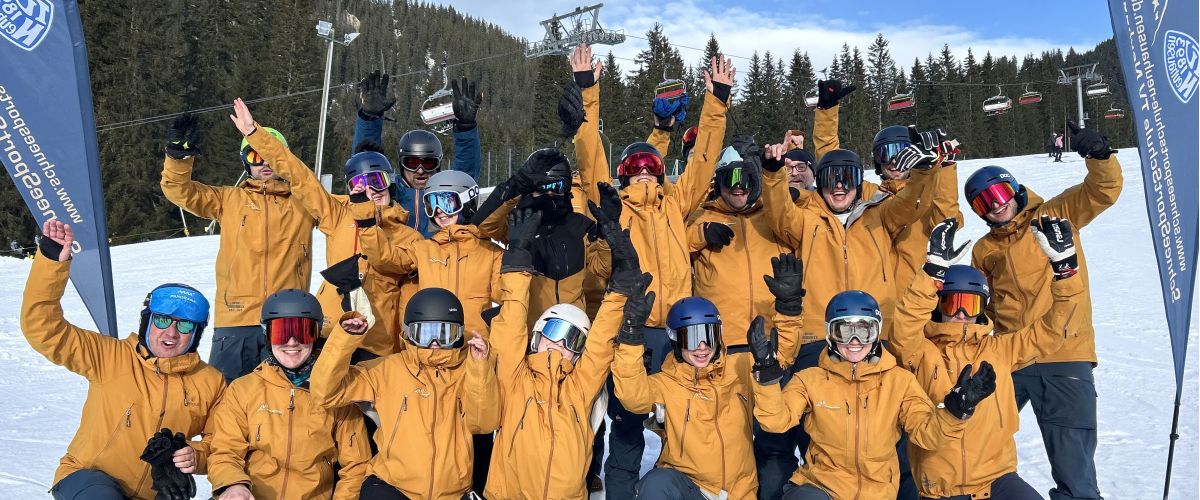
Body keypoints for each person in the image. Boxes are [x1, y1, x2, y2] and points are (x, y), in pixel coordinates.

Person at [571, 42, 732, 497]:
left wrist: (717, 101)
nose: (643, 172)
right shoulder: (615, 207)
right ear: (623, 175)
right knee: (626, 425)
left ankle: (685, 485)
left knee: (687, 420)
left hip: (679, 331)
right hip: (633, 330)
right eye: (634, 166)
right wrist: (588, 93)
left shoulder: (675, 205)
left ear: (662, 173)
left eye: (652, 165)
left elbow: (703, 159)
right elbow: (590, 158)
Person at [967, 121, 1122, 500]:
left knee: (1074, 469)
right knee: (970, 437)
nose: (997, 205)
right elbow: (980, 308)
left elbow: (1102, 191)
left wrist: (1099, 156)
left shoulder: (1054, 214)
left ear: (1015, 189)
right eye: (984, 203)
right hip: (1012, 356)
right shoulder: (984, 250)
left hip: (1064, 354)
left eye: (1000, 193)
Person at [23, 220, 225, 500]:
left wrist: (194, 455)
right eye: (162, 320)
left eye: (185, 325)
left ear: (197, 334)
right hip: (87, 477)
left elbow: (223, 443)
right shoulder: (109, 356)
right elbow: (42, 328)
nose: (171, 333)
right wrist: (50, 261)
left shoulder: (211, 382)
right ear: (147, 322)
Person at [889, 217, 1087, 499]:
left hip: (998, 481)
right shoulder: (920, 352)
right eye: (952, 303)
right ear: (937, 306)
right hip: (943, 488)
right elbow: (903, 327)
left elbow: (1053, 331)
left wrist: (1066, 272)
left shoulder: (999, 350)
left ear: (982, 309)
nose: (961, 314)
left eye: (970, 305)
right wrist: (932, 272)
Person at [750, 289, 997, 500]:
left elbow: (927, 435)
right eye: (844, 331)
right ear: (829, 334)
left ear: (877, 332)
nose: (854, 341)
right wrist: (767, 376)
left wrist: (956, 410)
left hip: (878, 492)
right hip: (823, 488)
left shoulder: (899, 382)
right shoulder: (810, 379)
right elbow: (776, 421)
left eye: (864, 331)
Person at [483, 202, 644, 500]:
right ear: (537, 336)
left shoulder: (580, 388)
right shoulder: (514, 378)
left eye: (574, 340)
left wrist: (622, 286)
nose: (561, 345)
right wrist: (517, 259)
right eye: (556, 332)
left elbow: (601, 344)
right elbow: (511, 324)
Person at [230, 98, 407, 358]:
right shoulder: (337, 214)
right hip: (330, 332)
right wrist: (254, 134)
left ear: (390, 183)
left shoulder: (407, 234)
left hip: (376, 342)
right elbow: (300, 178)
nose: (371, 190)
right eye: (360, 183)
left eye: (378, 181)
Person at [161, 108, 317, 382]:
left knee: (288, 401)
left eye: (271, 155)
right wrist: (178, 158)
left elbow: (343, 214)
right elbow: (179, 190)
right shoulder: (229, 200)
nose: (264, 162)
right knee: (226, 400)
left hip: (287, 320)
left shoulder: (305, 203)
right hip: (235, 322)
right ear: (245, 162)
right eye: (255, 156)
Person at [311, 285, 500, 498]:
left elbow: (484, 423)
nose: (434, 343)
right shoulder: (387, 370)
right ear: (409, 332)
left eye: (445, 334)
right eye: (424, 333)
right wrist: (344, 340)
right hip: (393, 487)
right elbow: (325, 392)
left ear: (459, 334)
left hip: (453, 492)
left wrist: (479, 368)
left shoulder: (468, 370)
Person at [207, 289, 369, 500]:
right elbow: (225, 451)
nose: (292, 342)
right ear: (267, 334)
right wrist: (233, 485)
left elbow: (356, 467)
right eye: (281, 332)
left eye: (302, 331)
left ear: (316, 334)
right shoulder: (243, 390)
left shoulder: (337, 395)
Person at [612, 294, 760, 499]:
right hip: (691, 490)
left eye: (709, 335)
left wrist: (789, 308)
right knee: (656, 483)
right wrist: (631, 338)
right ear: (675, 340)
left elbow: (782, 359)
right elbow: (632, 397)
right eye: (691, 338)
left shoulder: (740, 367)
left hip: (740, 493)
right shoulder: (665, 384)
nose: (702, 347)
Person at [353, 169, 500, 338]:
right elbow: (384, 257)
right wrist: (365, 217)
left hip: (473, 345)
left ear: (467, 202)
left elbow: (511, 297)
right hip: (433, 342)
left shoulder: (490, 253)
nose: (439, 211)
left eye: (446, 202)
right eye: (432, 204)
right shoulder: (423, 249)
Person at [352, 71, 482, 237]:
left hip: (435, 252)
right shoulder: (390, 191)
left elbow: (465, 174)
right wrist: (369, 119)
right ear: (401, 164)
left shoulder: (444, 193)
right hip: (393, 251)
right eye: (412, 163)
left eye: (428, 163)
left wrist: (466, 128)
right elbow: (366, 167)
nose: (420, 170)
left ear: (438, 165)